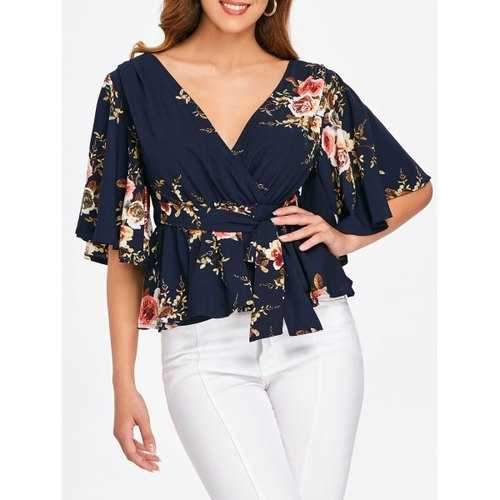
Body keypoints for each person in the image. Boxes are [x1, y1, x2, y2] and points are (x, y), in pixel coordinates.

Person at [74, 1, 433, 499]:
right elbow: (124, 244)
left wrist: (345, 236)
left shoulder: (316, 88)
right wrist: (123, 382)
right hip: (203, 345)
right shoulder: (133, 88)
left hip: (316, 337)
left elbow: (412, 188)